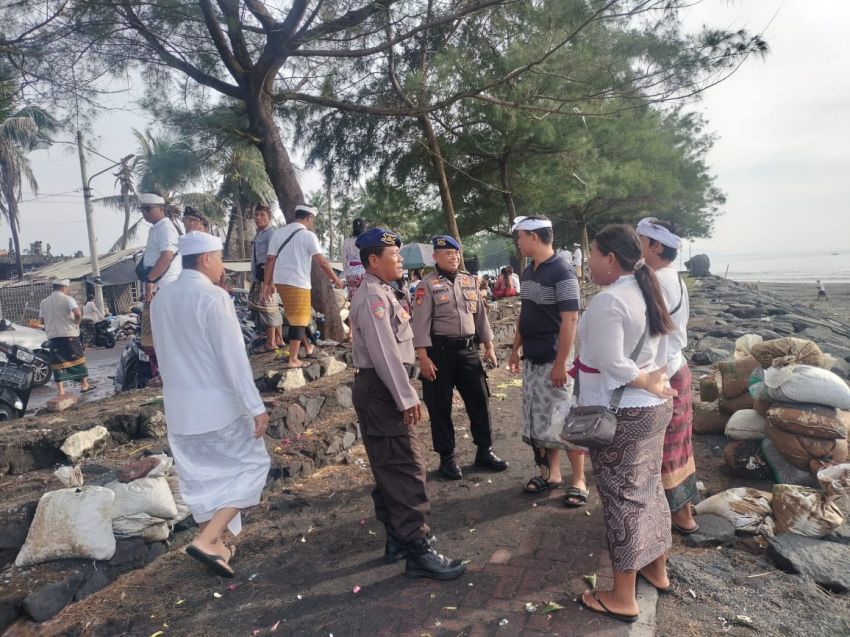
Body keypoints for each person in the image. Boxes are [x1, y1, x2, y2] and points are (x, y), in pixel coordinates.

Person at [151, 231, 270, 579]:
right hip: (218, 407)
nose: (222, 266)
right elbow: (233, 359)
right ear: (205, 258)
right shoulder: (213, 297)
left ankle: (217, 547)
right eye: (219, 258)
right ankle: (207, 539)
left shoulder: (160, 299)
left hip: (180, 410)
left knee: (201, 480)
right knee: (254, 465)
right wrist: (255, 406)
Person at [351, 227, 465, 580]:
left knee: (390, 466)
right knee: (406, 468)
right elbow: (385, 353)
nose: (400, 259)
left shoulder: (384, 291)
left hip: (383, 386)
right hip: (384, 388)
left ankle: (397, 539)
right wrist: (405, 397)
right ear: (373, 260)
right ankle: (418, 549)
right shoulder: (373, 297)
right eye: (394, 255)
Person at [576, 224, 677, 623]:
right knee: (648, 491)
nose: (588, 263)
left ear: (610, 259)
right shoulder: (648, 290)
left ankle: (622, 596)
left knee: (623, 501)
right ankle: (657, 568)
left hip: (623, 413)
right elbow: (668, 347)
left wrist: (645, 379)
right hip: (652, 410)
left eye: (592, 255)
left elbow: (611, 363)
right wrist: (657, 380)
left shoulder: (610, 301)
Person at [412, 235, 508, 480]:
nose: (453, 257)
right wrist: (422, 356)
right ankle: (447, 458)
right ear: (436, 257)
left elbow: (480, 317)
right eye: (447, 254)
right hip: (439, 354)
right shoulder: (427, 285)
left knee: (480, 400)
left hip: (468, 351)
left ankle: (484, 450)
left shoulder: (469, 281)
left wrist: (489, 345)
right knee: (440, 405)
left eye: (456, 253)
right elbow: (420, 324)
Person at [508, 216, 587, 506]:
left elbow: (570, 320)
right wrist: (516, 348)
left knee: (564, 419)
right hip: (533, 356)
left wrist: (561, 364)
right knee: (539, 418)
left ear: (534, 237)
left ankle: (578, 479)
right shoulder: (529, 271)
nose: (518, 241)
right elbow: (525, 312)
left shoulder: (563, 272)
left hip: (556, 358)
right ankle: (551, 474)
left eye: (520, 236)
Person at [637, 217, 698, 535]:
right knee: (678, 444)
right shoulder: (672, 277)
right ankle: (682, 509)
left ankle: (680, 515)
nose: (637, 247)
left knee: (668, 447)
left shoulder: (658, 280)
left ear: (656, 246)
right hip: (676, 369)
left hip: (665, 374)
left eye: (641, 241)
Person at [263, 204, 343, 369]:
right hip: (298, 281)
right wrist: (336, 279)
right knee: (298, 320)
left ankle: (307, 347)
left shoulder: (279, 233)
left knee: (299, 315)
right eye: (312, 220)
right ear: (309, 218)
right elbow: (322, 262)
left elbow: (270, 259)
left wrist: (267, 283)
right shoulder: (308, 236)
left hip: (281, 281)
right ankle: (293, 359)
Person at [138, 193, 182, 383]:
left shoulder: (165, 228)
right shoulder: (156, 228)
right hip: (159, 286)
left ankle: (170, 373)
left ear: (161, 209)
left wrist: (151, 280)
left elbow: (167, 256)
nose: (145, 213)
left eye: (149, 209)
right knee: (157, 335)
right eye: (143, 209)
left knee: (166, 333)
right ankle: (163, 373)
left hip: (164, 285)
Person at [39, 279, 92, 396]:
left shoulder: (44, 302)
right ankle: (84, 385)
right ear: (63, 288)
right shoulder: (68, 299)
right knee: (78, 360)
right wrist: (76, 323)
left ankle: (61, 391)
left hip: (53, 337)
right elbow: (78, 314)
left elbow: (41, 320)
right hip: (69, 335)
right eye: (67, 288)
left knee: (57, 363)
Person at [248, 205, 284, 352]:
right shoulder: (259, 235)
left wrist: (271, 281)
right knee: (270, 306)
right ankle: (278, 339)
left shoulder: (271, 234)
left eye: (262, 215)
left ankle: (271, 343)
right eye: (256, 215)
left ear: (269, 217)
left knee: (267, 308)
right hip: (260, 274)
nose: (258, 218)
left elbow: (273, 258)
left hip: (267, 274)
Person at [342, 218, 367, 301]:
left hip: (351, 274)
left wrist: (347, 273)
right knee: (365, 299)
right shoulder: (366, 241)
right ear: (364, 228)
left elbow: (344, 261)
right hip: (364, 273)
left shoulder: (347, 241)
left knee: (353, 300)